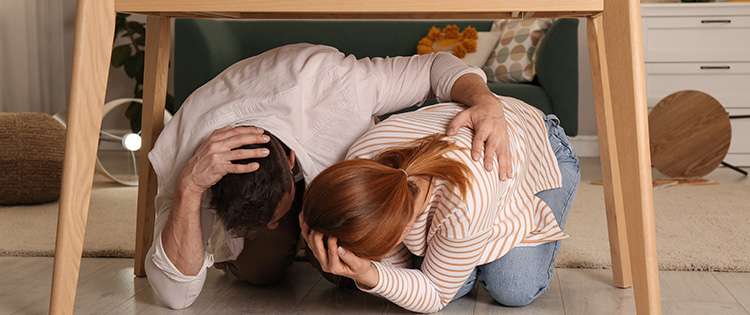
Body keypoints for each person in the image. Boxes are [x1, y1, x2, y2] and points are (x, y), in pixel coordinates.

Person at [143, 43, 515, 309]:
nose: (275, 225)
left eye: (276, 217)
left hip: (327, 153)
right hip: (224, 162)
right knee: (260, 271)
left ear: (289, 160)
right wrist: (189, 189)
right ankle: (270, 247)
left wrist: (485, 101)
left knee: (344, 273)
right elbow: (176, 296)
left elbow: (436, 66)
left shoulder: (335, 85)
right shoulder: (189, 158)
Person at [301, 98, 580, 313]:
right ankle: (469, 249)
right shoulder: (361, 158)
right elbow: (403, 271)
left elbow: (435, 294)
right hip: (477, 166)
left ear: (407, 226)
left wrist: (370, 274)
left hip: (541, 146)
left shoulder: (466, 201)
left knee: (513, 288)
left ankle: (476, 245)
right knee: (450, 281)